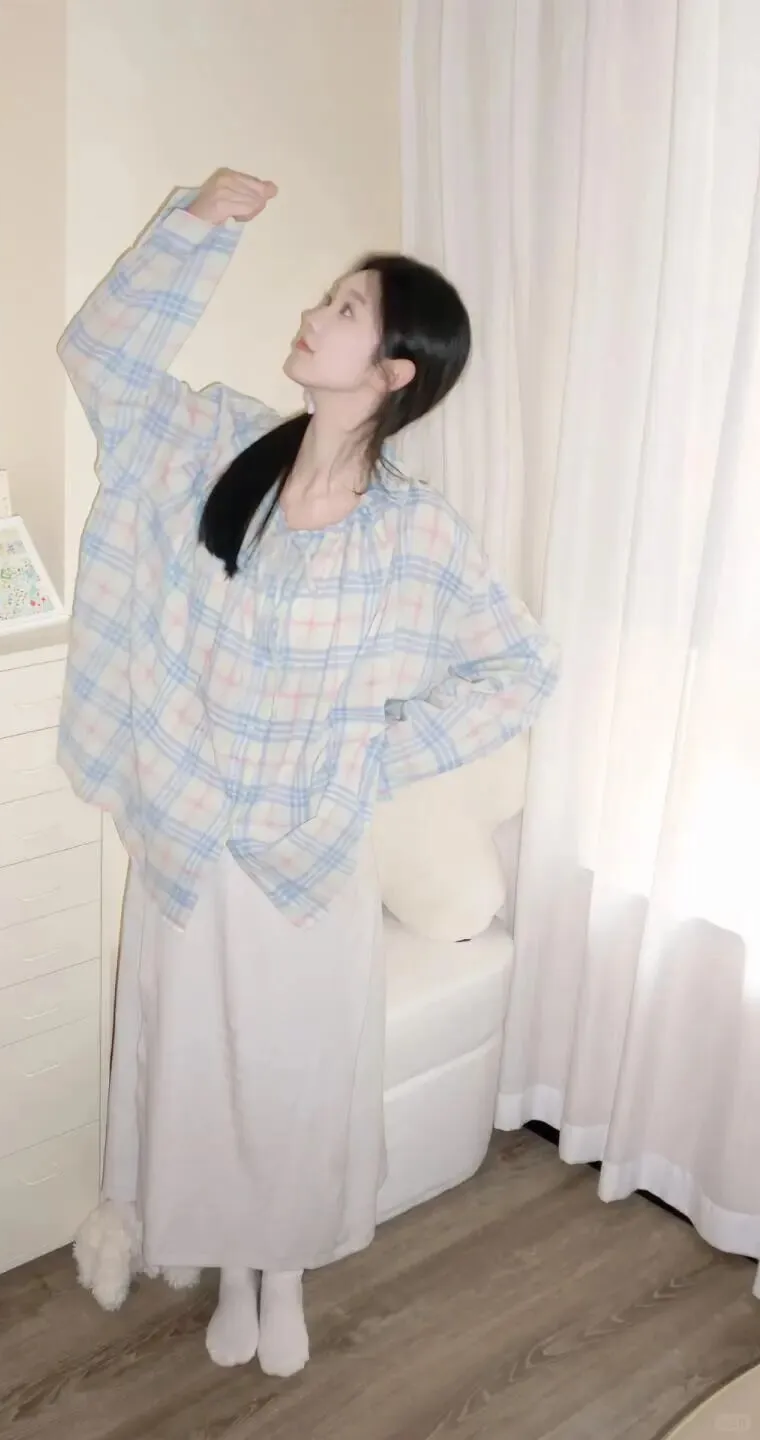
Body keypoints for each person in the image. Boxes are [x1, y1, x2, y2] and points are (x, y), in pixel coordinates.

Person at [57, 169, 560, 1377]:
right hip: (188, 838)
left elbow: (518, 668)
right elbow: (101, 361)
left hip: (307, 858)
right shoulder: (218, 446)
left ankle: (281, 1273)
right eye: (326, 299)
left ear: (396, 373)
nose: (313, 315)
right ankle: (229, 1265)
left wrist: (375, 757)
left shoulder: (415, 531)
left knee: (290, 1075)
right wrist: (198, 227)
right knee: (195, 1066)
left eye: (343, 309)